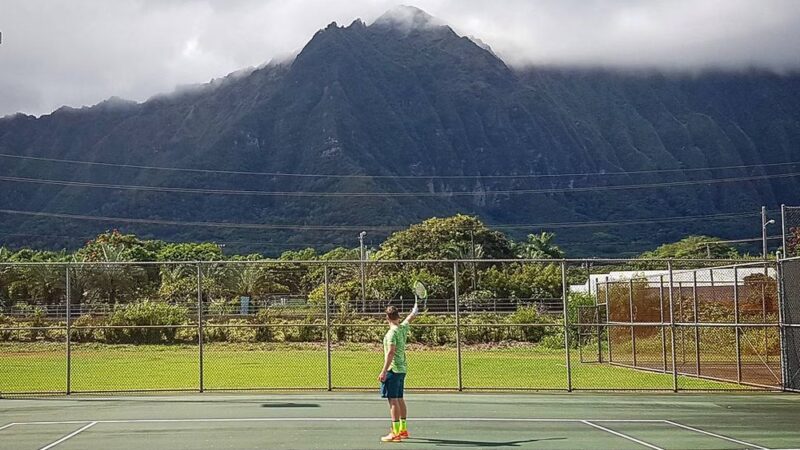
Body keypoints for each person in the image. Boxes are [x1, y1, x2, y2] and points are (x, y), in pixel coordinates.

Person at [378, 302, 418, 442]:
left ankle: (395, 432)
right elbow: (409, 319)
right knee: (400, 398)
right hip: (402, 369)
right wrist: (414, 311)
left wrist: (384, 371)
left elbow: (390, 352)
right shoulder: (402, 328)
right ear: (397, 316)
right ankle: (403, 429)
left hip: (393, 370)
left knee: (393, 400)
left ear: (387, 317)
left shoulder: (391, 333)